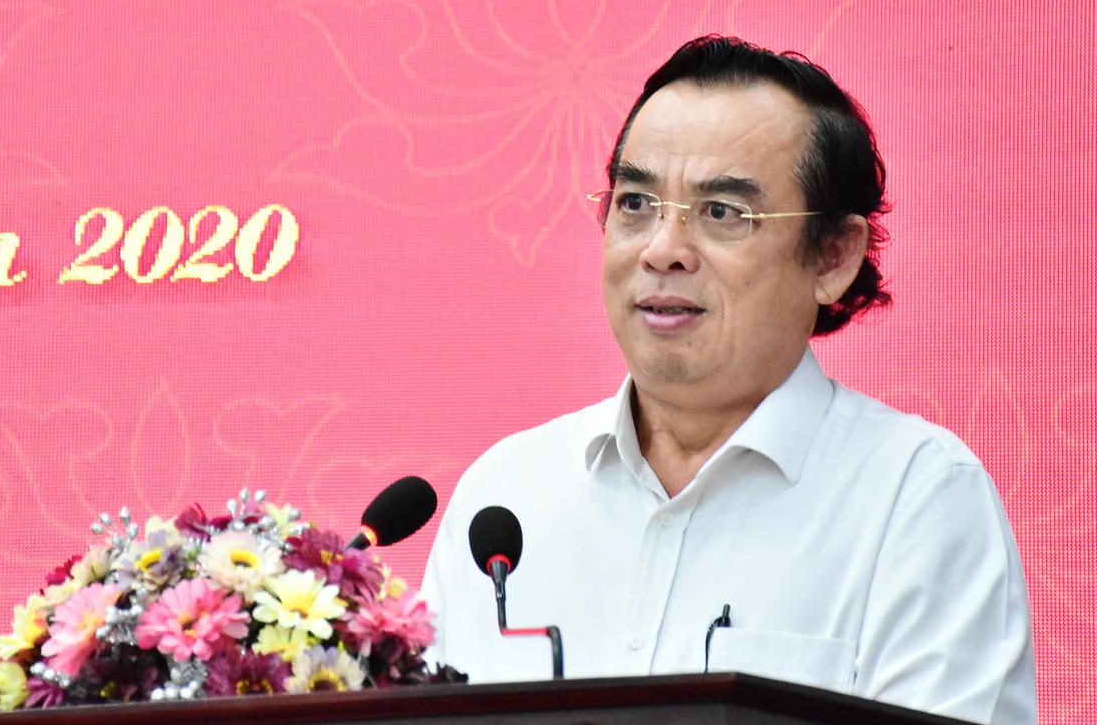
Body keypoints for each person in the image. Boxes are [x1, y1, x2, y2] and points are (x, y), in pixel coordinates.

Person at [420, 36, 1035, 725]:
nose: (662, 250)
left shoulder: (915, 499)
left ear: (833, 257)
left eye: (722, 213)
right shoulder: (505, 495)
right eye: (635, 203)